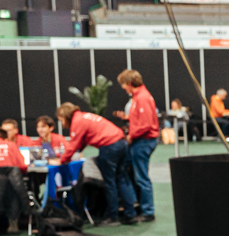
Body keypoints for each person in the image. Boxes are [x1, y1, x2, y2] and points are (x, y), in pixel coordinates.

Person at [57, 101, 137, 226]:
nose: (62, 123)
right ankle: (130, 214)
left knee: (109, 182)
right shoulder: (84, 116)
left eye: (61, 119)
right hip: (121, 143)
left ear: (65, 116)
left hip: (109, 146)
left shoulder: (77, 122)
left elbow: (73, 144)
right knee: (121, 179)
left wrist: (62, 160)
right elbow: (81, 141)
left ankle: (113, 217)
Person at [119, 69, 159, 222]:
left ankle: (148, 212)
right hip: (140, 141)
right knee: (129, 170)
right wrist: (129, 118)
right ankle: (135, 205)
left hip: (143, 141)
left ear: (129, 83)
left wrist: (131, 136)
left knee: (141, 177)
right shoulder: (139, 97)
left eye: (123, 84)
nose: (123, 88)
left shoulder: (142, 98)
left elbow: (146, 124)